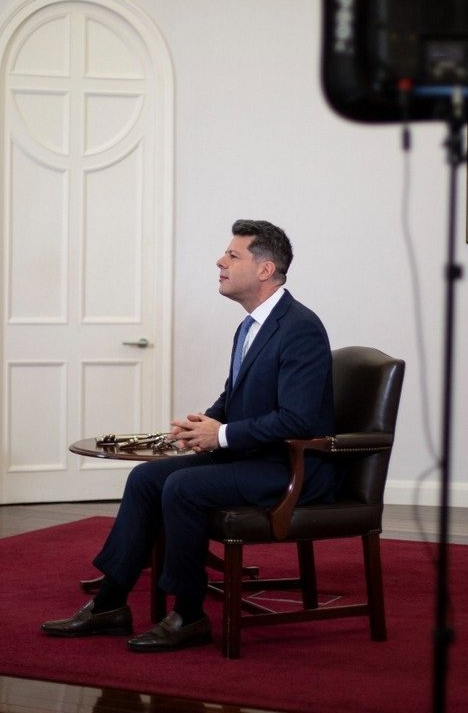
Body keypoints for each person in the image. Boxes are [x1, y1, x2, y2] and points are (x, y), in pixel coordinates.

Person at [40, 219, 338, 652]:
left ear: (264, 269)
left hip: (290, 468)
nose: (220, 261)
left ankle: (189, 614)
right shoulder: (250, 325)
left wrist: (223, 435)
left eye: (232, 255)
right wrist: (203, 424)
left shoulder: (300, 327)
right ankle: (110, 603)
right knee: (146, 477)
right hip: (253, 457)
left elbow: (299, 420)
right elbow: (234, 396)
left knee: (182, 486)